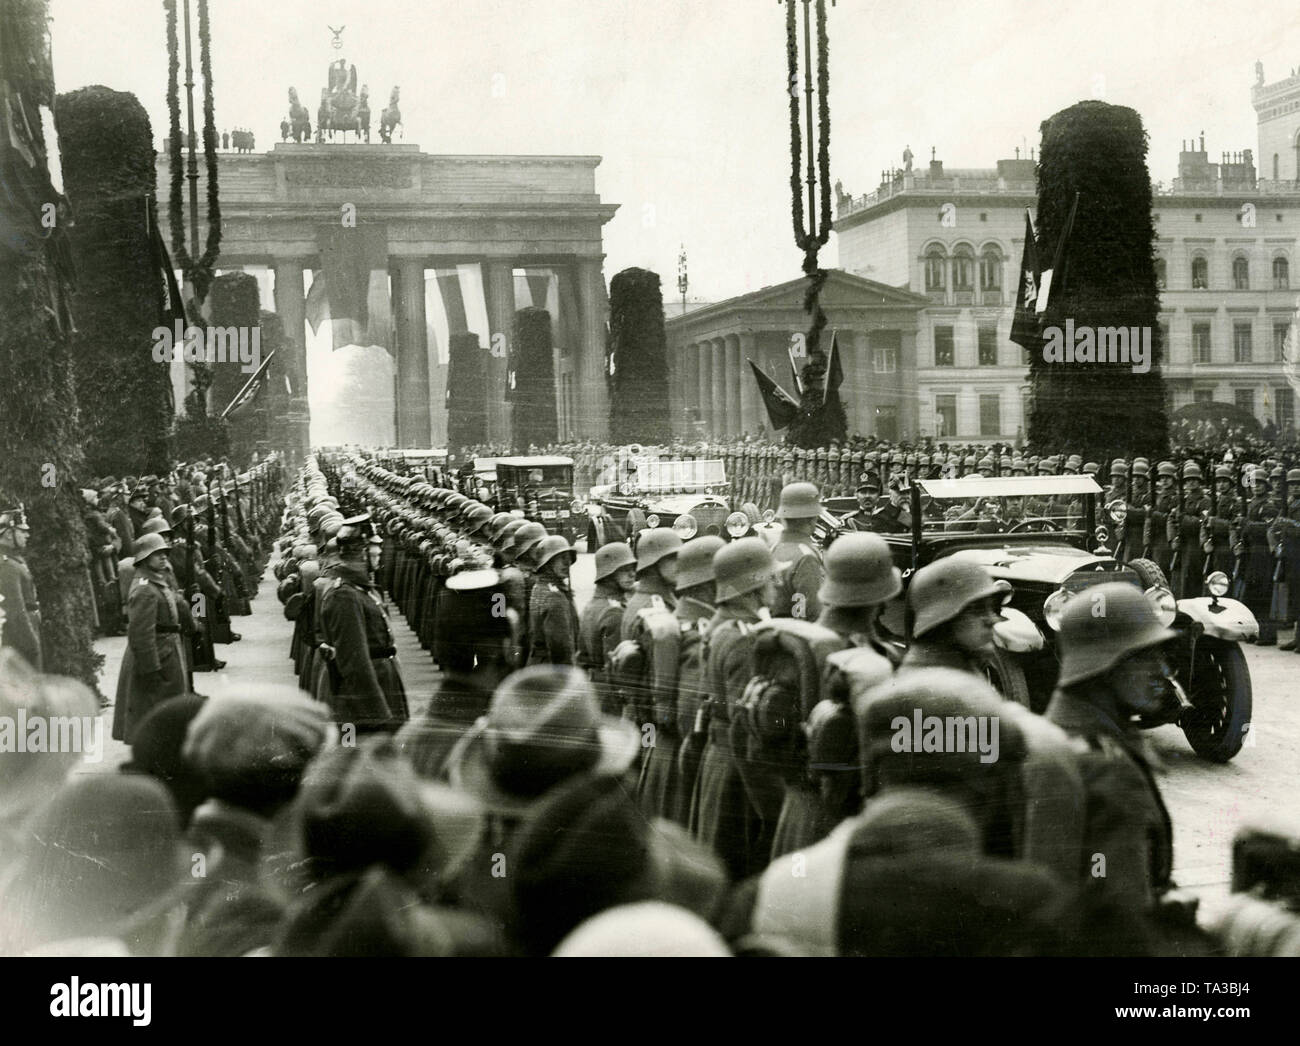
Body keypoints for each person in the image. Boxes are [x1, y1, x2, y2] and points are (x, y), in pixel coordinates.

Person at [1045, 582, 1176, 918]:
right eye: (1145, 657)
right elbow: (1120, 914)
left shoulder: (1050, 736)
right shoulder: (1108, 770)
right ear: (1102, 666)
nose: (1163, 673)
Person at [690, 538, 782, 879]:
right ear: (753, 585)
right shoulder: (744, 638)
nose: (776, 584)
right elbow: (745, 726)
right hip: (739, 768)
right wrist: (769, 805)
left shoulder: (721, 624)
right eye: (770, 578)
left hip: (720, 759)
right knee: (739, 863)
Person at [639, 534, 724, 824]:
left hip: (664, 753)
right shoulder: (698, 635)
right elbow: (690, 717)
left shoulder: (673, 619)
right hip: (681, 759)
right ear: (710, 583)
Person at [318, 514, 409, 735]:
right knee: (363, 756)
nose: (379, 554)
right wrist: (377, 714)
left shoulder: (359, 588)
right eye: (374, 548)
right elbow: (354, 661)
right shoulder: (344, 595)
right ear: (362, 552)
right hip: (363, 698)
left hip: (382, 682)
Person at [112, 534, 188, 745]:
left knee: (164, 705)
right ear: (145, 558)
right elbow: (140, 634)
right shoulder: (145, 587)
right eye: (157, 554)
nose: (163, 557)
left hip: (166, 647)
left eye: (165, 553)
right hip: (156, 653)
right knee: (154, 705)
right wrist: (151, 668)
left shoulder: (155, 578)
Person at [899, 558, 1011, 676]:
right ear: (944, 622)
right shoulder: (945, 686)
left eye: (991, 608)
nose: (992, 620)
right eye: (977, 610)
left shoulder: (954, 675)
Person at [577, 542, 636, 715]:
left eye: (632, 567)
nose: (632, 574)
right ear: (608, 574)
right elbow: (618, 667)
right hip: (610, 694)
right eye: (624, 569)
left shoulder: (594, 604)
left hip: (594, 686)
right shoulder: (614, 612)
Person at [769, 482, 825, 620]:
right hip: (797, 635)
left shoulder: (774, 548)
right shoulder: (806, 557)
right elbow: (812, 614)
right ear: (813, 519)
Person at [0, 500, 42, 671]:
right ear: (9, 534)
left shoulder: (13, 559)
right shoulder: (6, 565)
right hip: (21, 639)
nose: (27, 535)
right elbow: (16, 609)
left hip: (29, 628)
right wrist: (31, 644)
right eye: (22, 531)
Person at [527, 536, 579, 665]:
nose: (567, 563)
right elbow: (560, 648)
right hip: (552, 668)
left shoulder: (539, 586)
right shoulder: (555, 597)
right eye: (561, 558)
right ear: (547, 563)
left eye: (568, 557)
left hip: (538, 663)